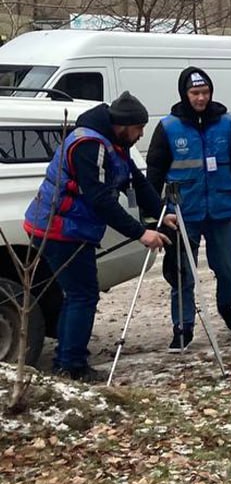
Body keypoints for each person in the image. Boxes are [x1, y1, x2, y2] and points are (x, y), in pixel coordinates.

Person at [24, 92, 175, 382]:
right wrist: (140, 232)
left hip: (70, 227)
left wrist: (160, 211)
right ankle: (71, 365)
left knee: (76, 294)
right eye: (139, 128)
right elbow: (100, 199)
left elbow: (136, 180)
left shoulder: (115, 142)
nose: (141, 134)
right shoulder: (89, 146)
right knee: (83, 295)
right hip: (59, 229)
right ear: (123, 125)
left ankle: (67, 359)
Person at [146, 67, 231, 350]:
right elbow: (154, 173)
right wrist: (152, 213)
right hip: (183, 213)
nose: (201, 98)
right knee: (182, 273)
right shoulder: (168, 127)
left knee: (227, 268)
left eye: (205, 92)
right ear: (185, 94)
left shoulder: (227, 123)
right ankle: (183, 326)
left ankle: (226, 305)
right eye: (195, 93)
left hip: (220, 209)